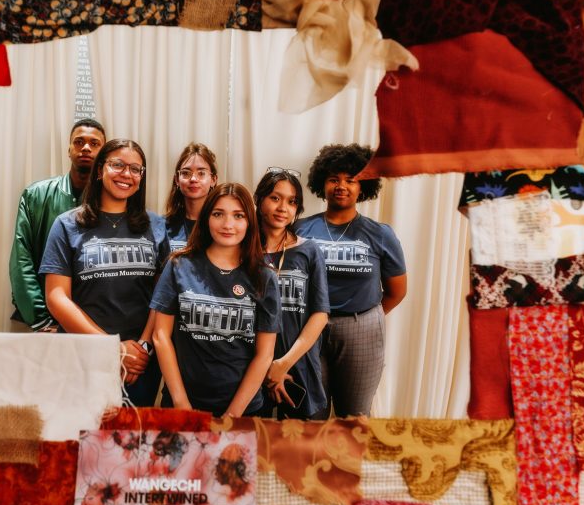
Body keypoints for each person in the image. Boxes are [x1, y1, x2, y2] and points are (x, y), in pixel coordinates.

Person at [39, 139, 168, 406]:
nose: (126, 174)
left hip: (138, 363)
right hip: (81, 355)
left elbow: (163, 296)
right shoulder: (66, 225)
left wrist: (142, 347)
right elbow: (56, 297)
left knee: (132, 431)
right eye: (117, 165)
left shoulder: (156, 225)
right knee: (77, 430)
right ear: (100, 170)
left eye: (135, 169)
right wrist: (111, 348)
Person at [151, 183, 282, 418]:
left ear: (250, 222)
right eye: (218, 214)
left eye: (238, 216)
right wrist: (181, 403)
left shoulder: (264, 276)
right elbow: (161, 336)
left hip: (242, 409)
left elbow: (264, 354)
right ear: (206, 218)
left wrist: (232, 415)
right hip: (182, 403)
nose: (228, 224)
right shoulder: (179, 265)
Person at [296, 144, 407, 417]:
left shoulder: (380, 234)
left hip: (361, 327)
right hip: (307, 327)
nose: (341, 186)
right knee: (309, 414)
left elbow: (397, 291)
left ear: (362, 186)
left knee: (354, 417)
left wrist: (364, 319)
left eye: (351, 180)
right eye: (334, 179)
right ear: (322, 183)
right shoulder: (300, 229)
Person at [9, 118, 106, 332]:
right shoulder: (36, 195)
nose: (86, 148)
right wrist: (42, 320)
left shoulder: (113, 201)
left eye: (94, 143)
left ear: (104, 154)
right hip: (41, 322)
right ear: (69, 150)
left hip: (95, 323)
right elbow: (21, 260)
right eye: (79, 142)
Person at [253, 168, 330, 420]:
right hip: (251, 366)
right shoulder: (243, 251)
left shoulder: (309, 251)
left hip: (298, 363)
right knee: (253, 439)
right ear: (259, 199)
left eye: (292, 201)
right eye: (275, 198)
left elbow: (320, 314)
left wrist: (282, 364)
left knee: (301, 442)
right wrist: (266, 366)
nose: (283, 208)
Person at [164, 143, 218, 252]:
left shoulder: (221, 225)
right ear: (177, 179)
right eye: (186, 173)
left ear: (213, 179)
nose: (193, 179)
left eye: (201, 173)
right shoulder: (163, 226)